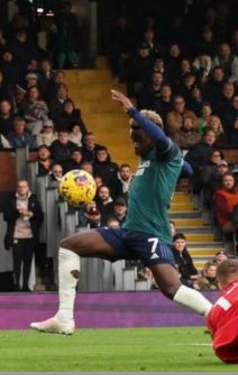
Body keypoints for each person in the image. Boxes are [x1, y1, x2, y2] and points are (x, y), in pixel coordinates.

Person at [30, 90, 211, 335]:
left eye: (139, 139)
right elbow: (186, 169)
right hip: (127, 233)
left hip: (151, 235)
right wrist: (182, 167)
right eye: (132, 140)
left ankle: (218, 316)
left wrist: (132, 109)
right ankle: (64, 317)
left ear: (152, 135)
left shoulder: (166, 152)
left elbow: (165, 143)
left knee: (172, 289)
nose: (134, 144)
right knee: (69, 245)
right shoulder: (155, 160)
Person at [3, 180, 44, 291]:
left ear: (28, 188)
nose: (22, 189)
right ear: (17, 188)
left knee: (28, 261)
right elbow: (6, 216)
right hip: (16, 235)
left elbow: (40, 215)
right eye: (20, 187)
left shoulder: (33, 199)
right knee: (17, 261)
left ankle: (25, 285)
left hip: (30, 236)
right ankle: (17, 285)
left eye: (24, 187)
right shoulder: (11, 200)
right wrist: (18, 213)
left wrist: (31, 214)